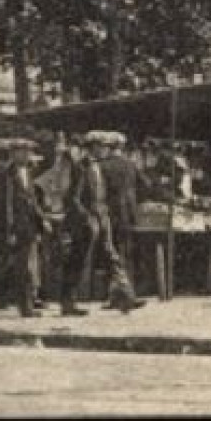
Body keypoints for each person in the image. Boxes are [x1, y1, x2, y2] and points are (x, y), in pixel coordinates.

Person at [61, 133, 142, 315]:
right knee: (77, 259)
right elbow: (73, 198)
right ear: (93, 147)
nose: (106, 149)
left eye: (106, 146)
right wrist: (86, 216)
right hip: (87, 219)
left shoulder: (97, 166)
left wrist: (102, 214)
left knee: (111, 256)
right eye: (102, 146)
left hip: (102, 214)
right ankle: (68, 302)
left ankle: (126, 296)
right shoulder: (81, 167)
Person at [0, 138, 47, 316]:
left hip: (29, 225)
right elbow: (7, 205)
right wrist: (9, 229)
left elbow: (32, 200)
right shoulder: (7, 175)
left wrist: (42, 220)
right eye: (23, 151)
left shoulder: (28, 172)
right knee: (23, 267)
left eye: (28, 151)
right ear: (13, 154)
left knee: (19, 266)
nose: (27, 154)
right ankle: (25, 307)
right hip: (15, 227)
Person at [99, 132, 145, 299]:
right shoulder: (131, 165)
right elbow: (144, 184)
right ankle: (129, 289)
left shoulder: (102, 166)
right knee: (127, 251)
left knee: (111, 251)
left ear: (109, 148)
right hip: (129, 213)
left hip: (111, 212)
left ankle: (114, 293)